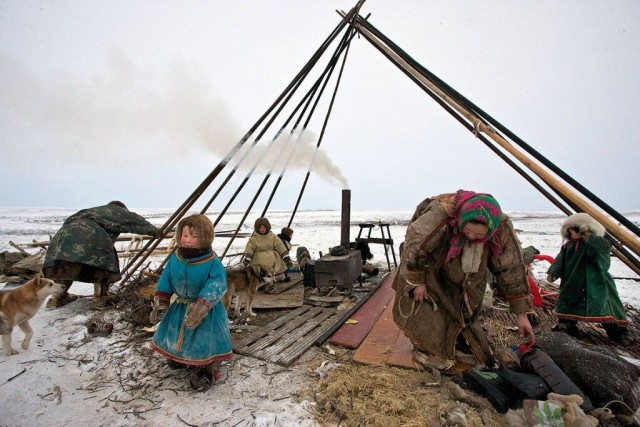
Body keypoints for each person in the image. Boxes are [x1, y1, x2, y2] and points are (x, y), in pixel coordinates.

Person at [393, 190, 535, 373]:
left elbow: (511, 268)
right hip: (432, 264)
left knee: (466, 308)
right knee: (429, 308)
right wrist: (417, 281)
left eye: (479, 236)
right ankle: (427, 348)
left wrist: (521, 312)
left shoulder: (501, 227)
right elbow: (415, 244)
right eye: (468, 231)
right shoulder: (440, 214)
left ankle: (456, 343)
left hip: (471, 274)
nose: (471, 237)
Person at [150, 214, 232, 391]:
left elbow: (218, 283)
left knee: (204, 340)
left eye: (194, 237)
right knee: (177, 334)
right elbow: (167, 278)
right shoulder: (176, 258)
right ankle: (179, 356)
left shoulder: (212, 261)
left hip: (206, 311)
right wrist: (162, 298)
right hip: (181, 306)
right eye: (185, 235)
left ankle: (206, 368)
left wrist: (203, 304)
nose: (188, 240)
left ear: (205, 238)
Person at [42, 201, 159, 309]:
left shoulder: (91, 212)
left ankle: (57, 298)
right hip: (89, 234)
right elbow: (134, 220)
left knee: (64, 265)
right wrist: (155, 231)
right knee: (103, 264)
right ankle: (100, 299)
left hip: (63, 237)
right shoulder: (115, 210)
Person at [546, 212, 631, 344]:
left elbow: (601, 251)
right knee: (568, 304)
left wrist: (589, 236)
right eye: (568, 232)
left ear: (582, 229)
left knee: (605, 307)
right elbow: (560, 260)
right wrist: (554, 272)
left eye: (572, 231)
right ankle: (566, 327)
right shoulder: (569, 246)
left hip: (597, 282)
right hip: (573, 282)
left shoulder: (598, 243)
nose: (570, 235)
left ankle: (618, 333)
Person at [243, 218, 293, 282]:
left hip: (271, 260)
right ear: (257, 228)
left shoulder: (272, 236)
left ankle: (273, 279)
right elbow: (250, 247)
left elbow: (279, 245)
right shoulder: (254, 238)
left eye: (264, 227)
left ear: (267, 227)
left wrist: (286, 257)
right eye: (260, 227)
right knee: (259, 271)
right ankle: (261, 280)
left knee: (273, 268)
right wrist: (248, 257)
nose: (262, 229)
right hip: (258, 260)